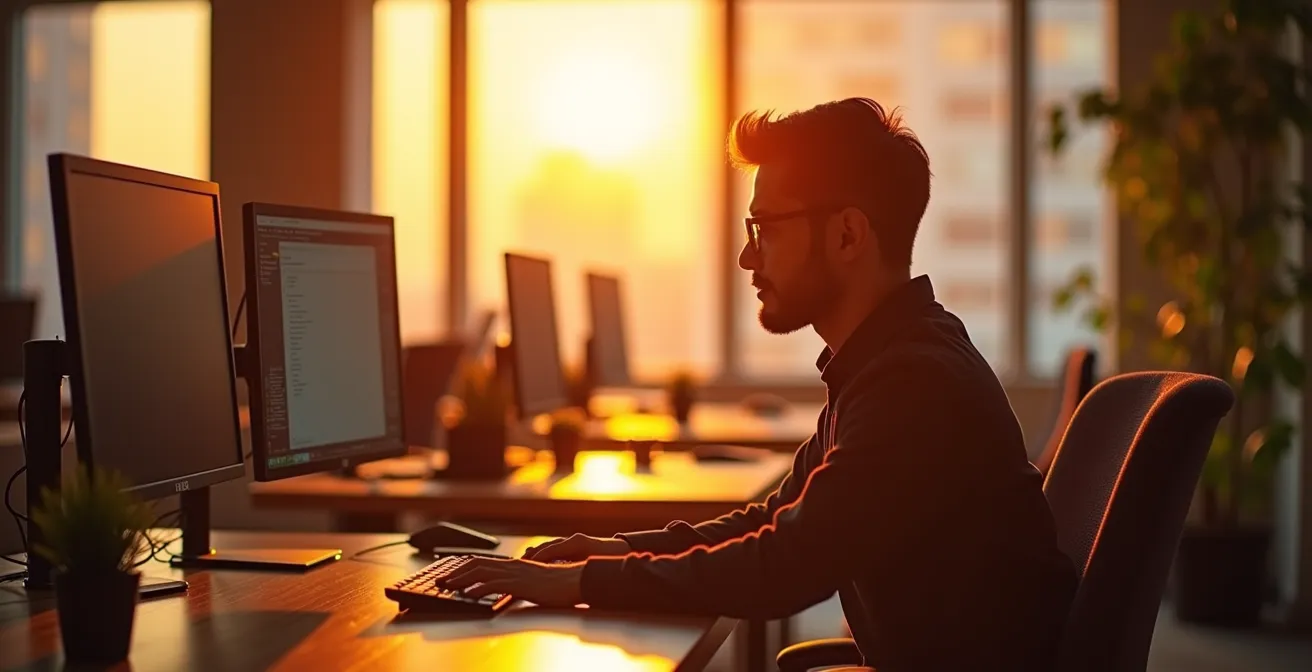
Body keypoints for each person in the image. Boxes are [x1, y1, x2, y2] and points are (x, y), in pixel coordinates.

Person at [446, 97, 1078, 671]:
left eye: (766, 228)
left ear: (847, 234)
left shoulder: (913, 382)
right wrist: (604, 552)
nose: (749, 258)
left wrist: (584, 583)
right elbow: (774, 522)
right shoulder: (889, 361)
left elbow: (784, 567)